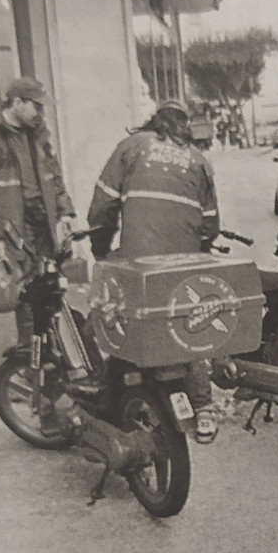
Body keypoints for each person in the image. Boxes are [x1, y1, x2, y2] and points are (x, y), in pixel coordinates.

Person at [87, 99, 221, 444]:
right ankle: (204, 406)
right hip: (183, 264)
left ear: (154, 121)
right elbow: (210, 224)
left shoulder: (131, 147)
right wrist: (197, 251)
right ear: (185, 126)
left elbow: (103, 205)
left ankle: (106, 399)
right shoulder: (199, 160)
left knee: (118, 319)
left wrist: (100, 247)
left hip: (140, 261)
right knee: (188, 331)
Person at [0, 77, 95, 389]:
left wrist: (65, 212)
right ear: (17, 102)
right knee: (26, 295)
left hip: (44, 224)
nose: (39, 111)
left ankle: (56, 352)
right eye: (35, 105)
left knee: (50, 288)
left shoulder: (38, 132)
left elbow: (55, 175)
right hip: (13, 230)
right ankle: (32, 365)